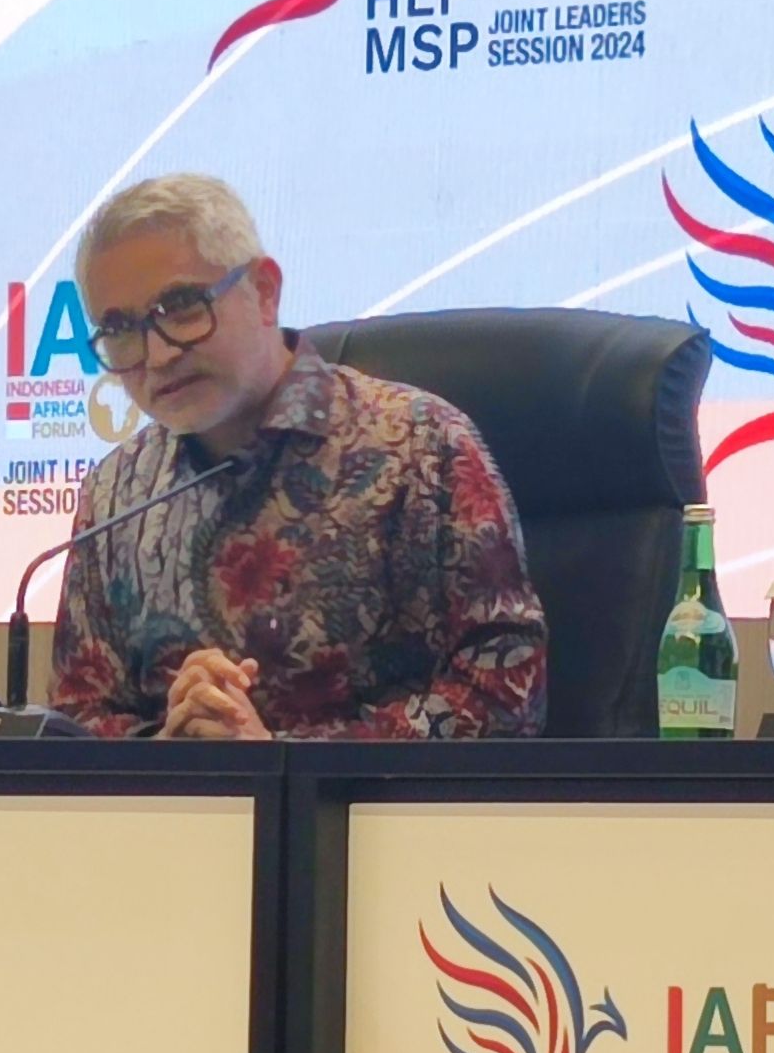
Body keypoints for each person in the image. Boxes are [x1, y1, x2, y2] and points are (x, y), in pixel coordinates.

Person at [50, 175, 547, 738]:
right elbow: (78, 719)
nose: (158, 355)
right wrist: (171, 747)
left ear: (264, 291)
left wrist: (279, 755)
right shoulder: (117, 492)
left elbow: (506, 695)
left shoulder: (421, 447)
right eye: (120, 329)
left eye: (181, 307)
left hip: (371, 797)